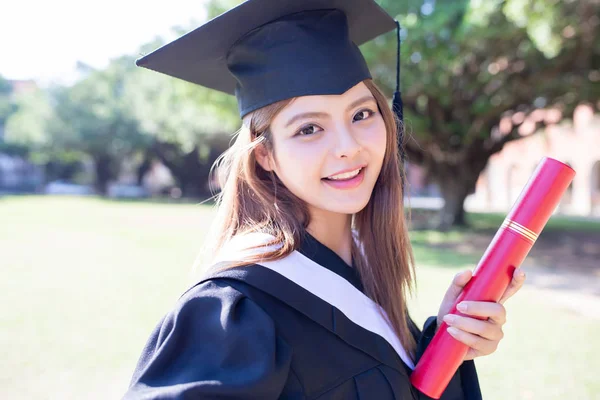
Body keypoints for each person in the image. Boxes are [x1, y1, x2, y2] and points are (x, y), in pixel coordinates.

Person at [123, 0, 526, 399]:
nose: (348, 147)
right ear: (265, 156)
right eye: (309, 128)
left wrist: (447, 345)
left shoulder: (365, 272)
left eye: (361, 115)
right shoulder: (236, 310)